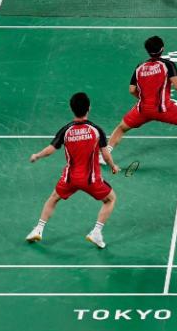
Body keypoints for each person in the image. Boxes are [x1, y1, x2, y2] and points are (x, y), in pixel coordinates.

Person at [26, 92, 119, 249]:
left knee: (53, 198)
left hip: (70, 178)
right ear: (88, 108)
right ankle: (96, 232)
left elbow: (51, 149)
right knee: (110, 199)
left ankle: (38, 229)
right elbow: (105, 153)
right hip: (91, 180)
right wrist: (113, 166)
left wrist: (37, 155)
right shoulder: (96, 130)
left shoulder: (66, 130)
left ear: (72, 109)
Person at [106, 36, 177, 166]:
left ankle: (105, 155)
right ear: (162, 49)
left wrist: (143, 99)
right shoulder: (167, 64)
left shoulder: (140, 67)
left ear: (147, 51)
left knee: (121, 128)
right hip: (163, 109)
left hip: (142, 110)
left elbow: (132, 89)